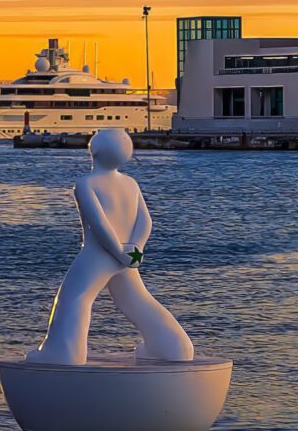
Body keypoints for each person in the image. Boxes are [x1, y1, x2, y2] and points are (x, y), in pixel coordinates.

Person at [27, 126, 193, 366]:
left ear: (93, 150)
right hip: (127, 254)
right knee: (137, 300)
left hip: (99, 254)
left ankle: (63, 353)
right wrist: (134, 250)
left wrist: (116, 251)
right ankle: (173, 347)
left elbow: (99, 224)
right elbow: (145, 220)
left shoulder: (86, 184)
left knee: (75, 298)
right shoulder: (131, 184)